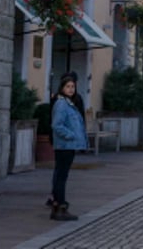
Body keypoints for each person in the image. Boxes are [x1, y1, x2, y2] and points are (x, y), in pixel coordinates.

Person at [49, 76, 87, 221]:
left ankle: (58, 205)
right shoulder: (61, 104)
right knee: (61, 177)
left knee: (61, 175)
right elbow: (57, 125)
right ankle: (60, 207)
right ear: (62, 88)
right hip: (64, 145)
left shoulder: (69, 103)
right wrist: (71, 135)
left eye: (72, 87)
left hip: (68, 145)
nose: (71, 89)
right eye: (68, 87)